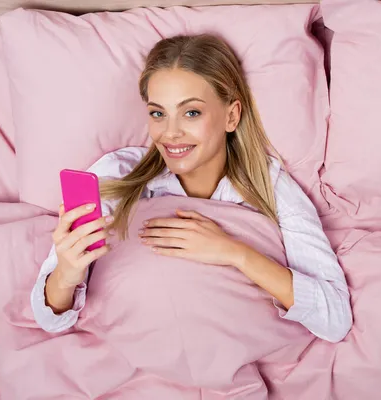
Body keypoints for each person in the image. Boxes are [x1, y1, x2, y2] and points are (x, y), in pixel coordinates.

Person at [31, 34, 352, 343]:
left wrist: (234, 252)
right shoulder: (116, 175)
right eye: (158, 113)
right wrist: (67, 273)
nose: (170, 133)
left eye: (191, 112)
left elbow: (335, 318)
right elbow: (50, 319)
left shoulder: (271, 188)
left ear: (231, 115)